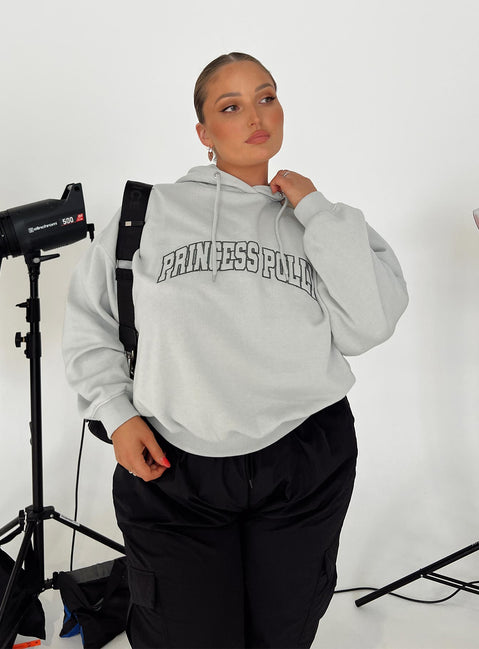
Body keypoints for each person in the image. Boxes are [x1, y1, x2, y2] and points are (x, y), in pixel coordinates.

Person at [62, 52, 409, 649]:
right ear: (203, 133)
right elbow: (90, 321)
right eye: (231, 106)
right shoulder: (148, 212)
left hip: (303, 456)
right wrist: (116, 415)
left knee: (283, 633)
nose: (256, 116)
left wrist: (316, 209)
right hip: (173, 466)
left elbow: (369, 326)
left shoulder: (319, 220)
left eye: (267, 97)